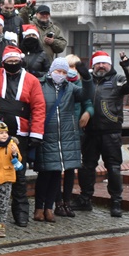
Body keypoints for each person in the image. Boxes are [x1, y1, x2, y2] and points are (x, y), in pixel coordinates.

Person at [0, 27, 46, 227]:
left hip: (18, 133)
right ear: (3, 63)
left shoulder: (31, 80)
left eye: (15, 61)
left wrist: (36, 133)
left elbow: (39, 107)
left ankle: (20, 212)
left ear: (21, 61)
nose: (12, 64)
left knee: (19, 174)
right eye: (9, 61)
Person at [75, 50, 129, 217]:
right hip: (89, 132)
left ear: (110, 64)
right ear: (93, 65)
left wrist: (126, 64)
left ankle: (116, 202)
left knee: (113, 168)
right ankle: (85, 200)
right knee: (87, 167)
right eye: (98, 63)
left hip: (111, 132)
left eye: (104, 63)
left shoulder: (117, 80)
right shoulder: (86, 80)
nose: (101, 65)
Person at [33, 58, 86, 222]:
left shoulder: (70, 88)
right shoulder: (40, 85)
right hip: (46, 136)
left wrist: (88, 79)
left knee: (56, 175)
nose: (60, 75)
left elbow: (87, 95)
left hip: (64, 138)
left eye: (64, 72)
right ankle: (38, 208)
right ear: (51, 71)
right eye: (58, 71)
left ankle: (49, 208)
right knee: (44, 175)